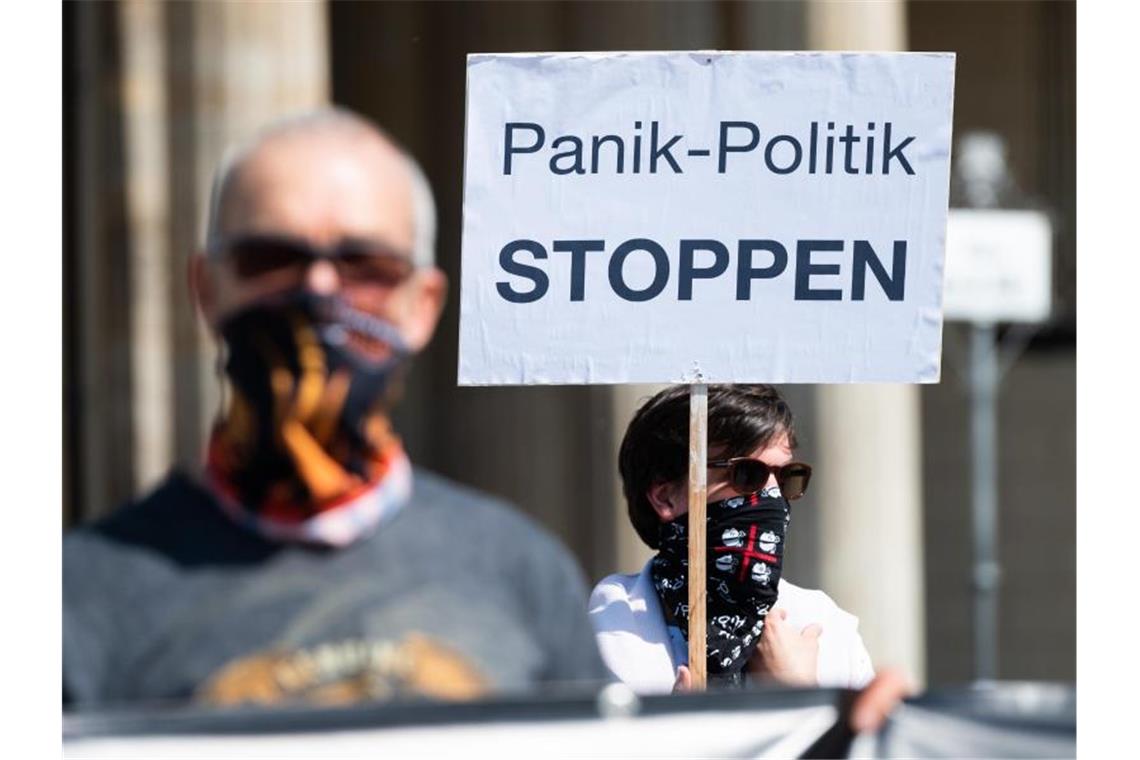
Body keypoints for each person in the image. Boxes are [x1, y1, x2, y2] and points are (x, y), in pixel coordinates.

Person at [63, 108, 607, 708]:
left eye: (367, 266)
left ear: (421, 305)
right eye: (271, 259)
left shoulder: (521, 568)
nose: (319, 289)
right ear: (207, 289)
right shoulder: (77, 593)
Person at [589, 384, 875, 694]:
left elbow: (866, 742)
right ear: (666, 497)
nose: (772, 496)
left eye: (785, 477)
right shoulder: (603, 633)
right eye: (747, 475)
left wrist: (799, 697)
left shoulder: (828, 628)